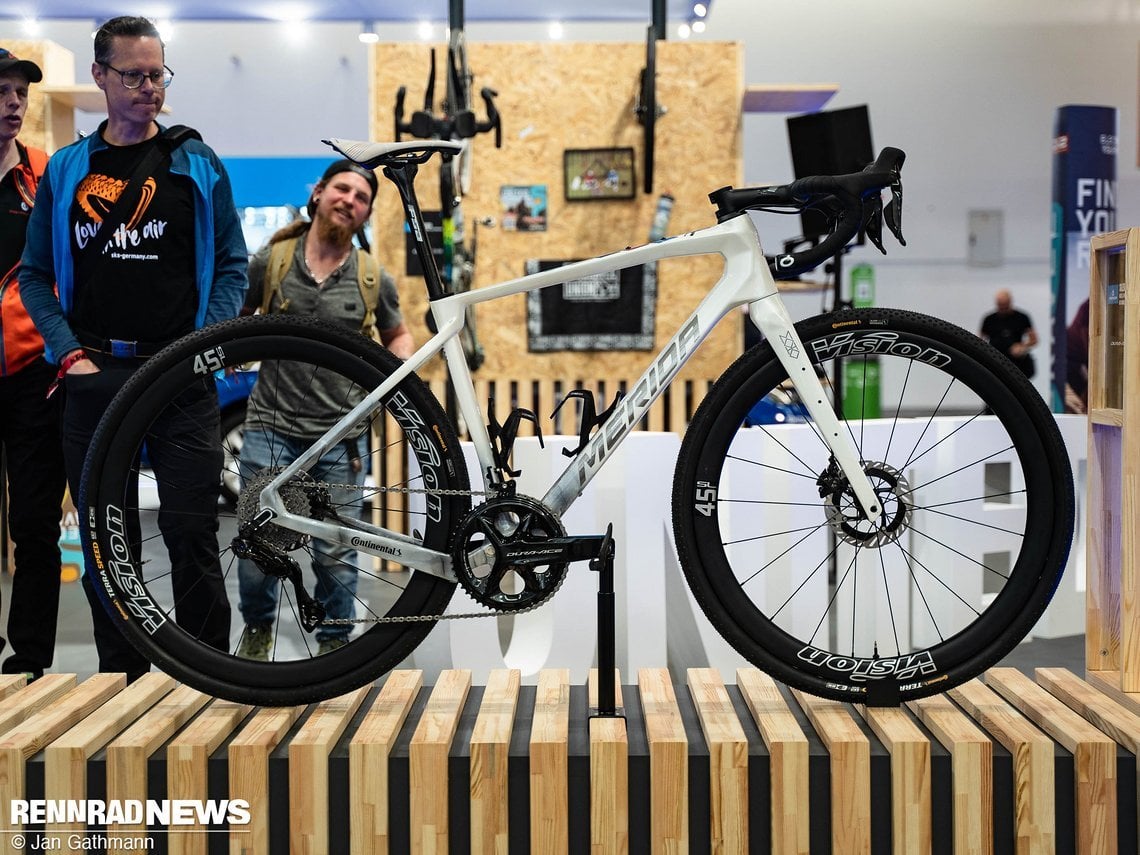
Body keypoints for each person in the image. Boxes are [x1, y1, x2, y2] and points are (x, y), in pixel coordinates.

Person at [19, 17, 248, 681]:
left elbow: (233, 262)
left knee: (192, 531)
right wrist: (68, 354)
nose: (150, 88)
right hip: (94, 373)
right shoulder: (67, 170)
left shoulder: (196, 163)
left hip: (182, 370)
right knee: (105, 540)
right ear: (101, 76)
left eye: (158, 74)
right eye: (135, 75)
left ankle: (213, 675)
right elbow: (35, 275)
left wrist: (207, 343)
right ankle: (125, 677)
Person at [235, 160, 412, 660]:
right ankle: (258, 633)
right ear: (318, 194)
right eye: (342, 188)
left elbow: (399, 334)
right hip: (271, 424)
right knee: (258, 539)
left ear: (364, 215)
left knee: (335, 550)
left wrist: (397, 372)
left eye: (361, 197)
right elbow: (235, 319)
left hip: (343, 436)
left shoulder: (373, 277)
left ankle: (335, 644)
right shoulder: (271, 261)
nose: (349, 199)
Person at [0, 47, 68, 681]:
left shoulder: (47, 175)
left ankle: (28, 661)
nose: (14, 102)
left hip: (31, 374)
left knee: (35, 525)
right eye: (2, 90)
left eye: (20, 92)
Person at [979, 289, 1038, 378]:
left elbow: (1034, 340)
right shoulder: (989, 319)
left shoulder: (1022, 317)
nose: (1002, 307)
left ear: (1010, 302)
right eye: (1000, 305)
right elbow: (979, 340)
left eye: (1004, 305)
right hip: (995, 359)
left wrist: (1022, 346)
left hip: (1016, 362)